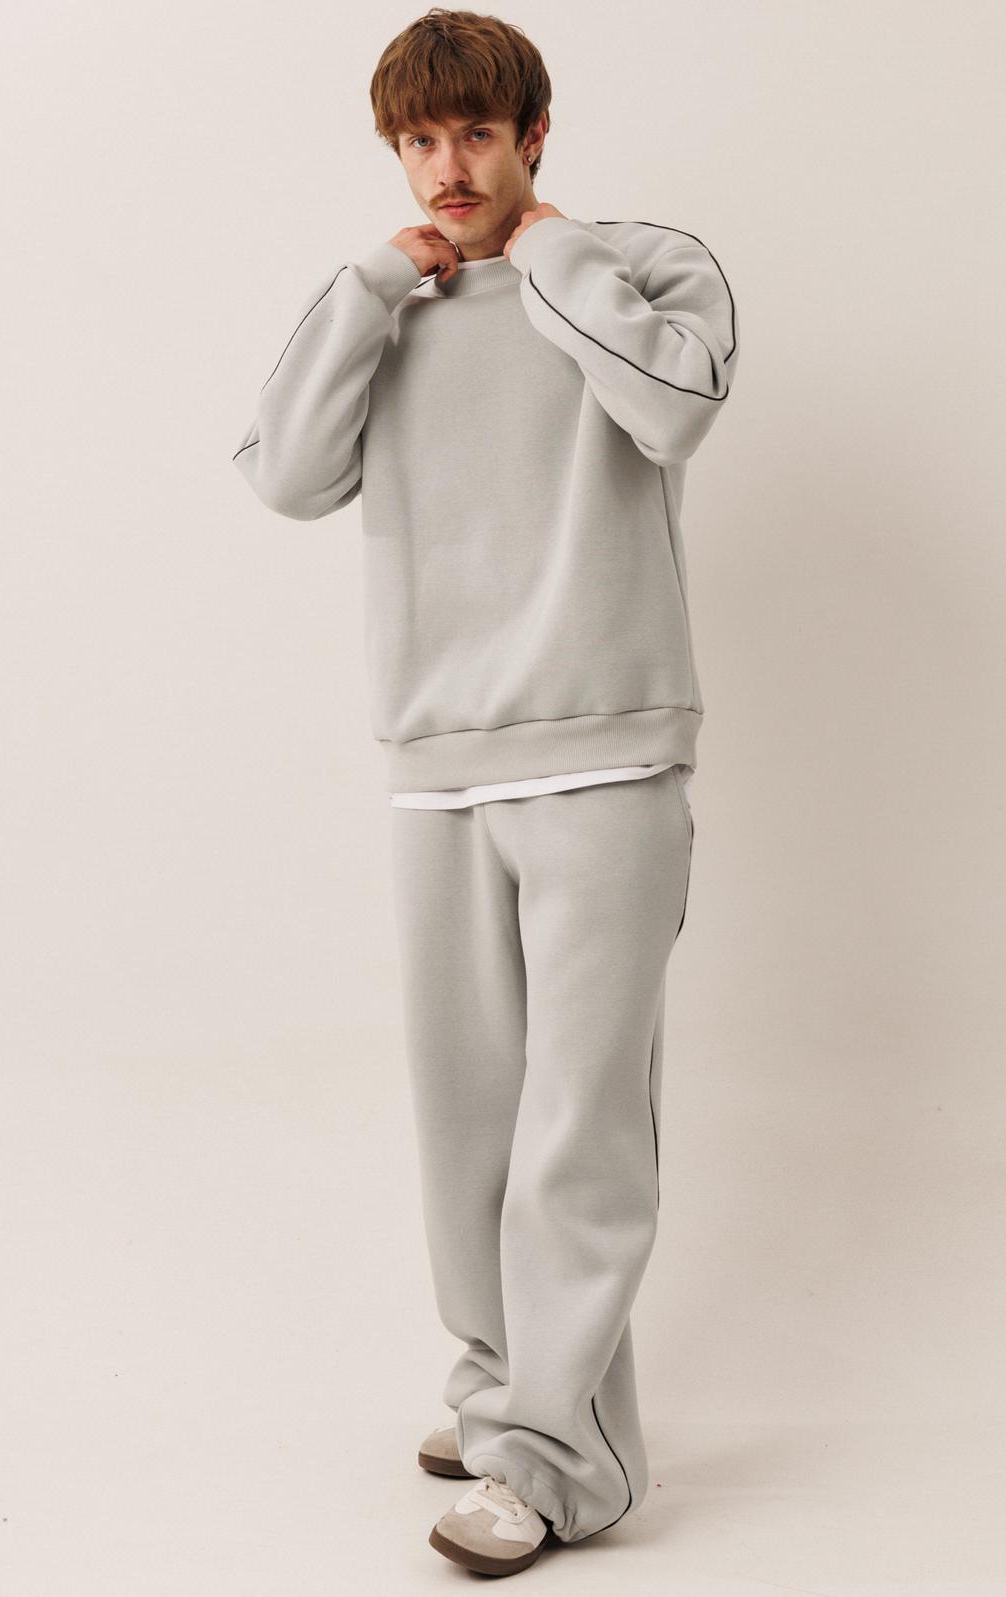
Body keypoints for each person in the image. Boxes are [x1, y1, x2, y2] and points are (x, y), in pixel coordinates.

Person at [232, 6, 739, 1576]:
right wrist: (372, 287)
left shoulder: (640, 269)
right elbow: (285, 473)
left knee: (579, 1130)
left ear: (531, 136)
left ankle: (558, 1463)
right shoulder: (392, 307)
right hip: (441, 767)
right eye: (417, 140)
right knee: (467, 1128)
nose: (445, 166)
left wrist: (553, 256)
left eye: (472, 134)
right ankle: (509, 1393)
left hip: (609, 754)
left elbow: (673, 406)